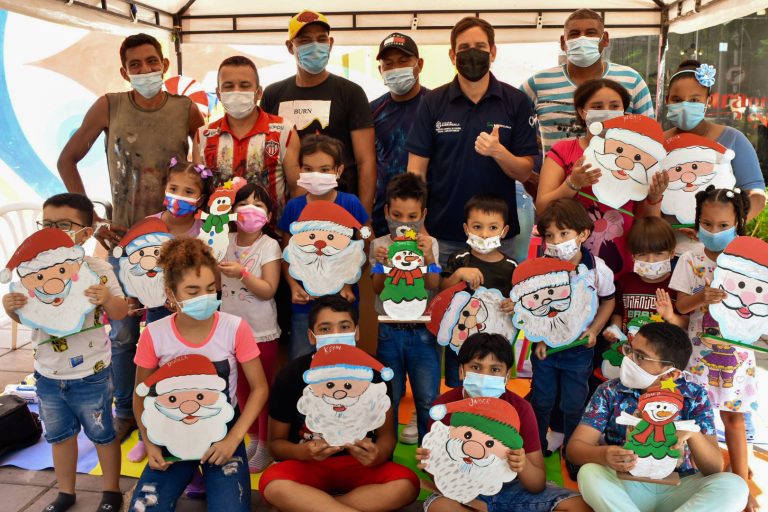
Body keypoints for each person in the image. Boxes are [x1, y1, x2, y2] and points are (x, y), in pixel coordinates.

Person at [57, 33, 205, 442]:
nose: (144, 70)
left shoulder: (186, 110)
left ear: (165, 65)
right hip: (124, 242)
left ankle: (166, 406)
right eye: (135, 64)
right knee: (123, 335)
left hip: (174, 243)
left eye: (151, 61)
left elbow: (204, 168)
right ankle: (125, 411)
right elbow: (67, 158)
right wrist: (93, 218)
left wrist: (198, 217)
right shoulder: (110, 105)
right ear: (124, 71)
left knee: (167, 330)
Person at [2, 193, 129, 512]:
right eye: (46, 224)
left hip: (92, 375)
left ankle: (111, 491)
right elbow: (27, 316)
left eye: (63, 225)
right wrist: (12, 308)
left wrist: (106, 299)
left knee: (103, 434)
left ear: (86, 233)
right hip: (47, 374)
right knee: (59, 436)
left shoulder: (98, 269)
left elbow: (121, 311)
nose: (52, 230)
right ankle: (66, 491)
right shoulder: (32, 270)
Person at [129, 237, 268, 511]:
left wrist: (233, 439)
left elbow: (260, 388)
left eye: (210, 289)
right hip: (170, 429)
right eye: (192, 291)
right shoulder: (155, 334)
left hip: (222, 431)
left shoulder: (234, 327)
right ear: (171, 294)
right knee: (145, 507)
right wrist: (150, 442)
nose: (204, 298)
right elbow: (139, 395)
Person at [260, 296, 420, 512]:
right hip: (309, 465)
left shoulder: (376, 372)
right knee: (272, 484)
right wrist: (304, 453)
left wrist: (377, 455)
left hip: (359, 465)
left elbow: (386, 436)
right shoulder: (292, 374)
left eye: (344, 327)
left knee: (407, 485)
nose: (336, 335)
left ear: (356, 332)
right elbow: (276, 445)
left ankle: (311, 507)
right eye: (325, 329)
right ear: (312, 336)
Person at [568, 322, 749, 512]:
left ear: (671, 374)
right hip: (628, 485)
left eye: (640, 357)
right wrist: (604, 455)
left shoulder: (694, 395)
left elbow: (713, 468)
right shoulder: (610, 391)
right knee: (589, 473)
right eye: (629, 349)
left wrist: (694, 435)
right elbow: (574, 449)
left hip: (680, 487)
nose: (628, 359)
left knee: (734, 486)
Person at [406, 16, 538, 267]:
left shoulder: (515, 101)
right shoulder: (433, 102)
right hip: (442, 234)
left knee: (499, 303)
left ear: (493, 52)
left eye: (480, 47)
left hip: (498, 236)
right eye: (464, 49)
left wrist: (499, 152)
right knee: (443, 303)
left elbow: (525, 171)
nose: (472, 54)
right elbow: (416, 172)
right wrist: (418, 226)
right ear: (452, 55)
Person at [415, 333, 590, 512]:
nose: (484, 376)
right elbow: (441, 474)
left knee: (578, 506)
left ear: (507, 376)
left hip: (511, 489)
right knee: (441, 507)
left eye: (495, 370)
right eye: (476, 367)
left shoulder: (521, 408)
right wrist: (431, 463)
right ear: (461, 371)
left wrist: (522, 465)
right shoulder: (444, 407)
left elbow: (537, 484)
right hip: (464, 490)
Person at [669, 186, 758, 511]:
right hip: (698, 356)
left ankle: (740, 483)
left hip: (736, 357)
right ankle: (696, 476)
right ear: (697, 222)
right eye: (708, 224)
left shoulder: (749, 261)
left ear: (739, 223)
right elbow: (680, 305)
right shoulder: (690, 259)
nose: (715, 231)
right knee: (695, 418)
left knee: (734, 419)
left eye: (723, 225)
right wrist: (700, 298)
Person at [536, 79, 668, 278]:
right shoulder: (563, 151)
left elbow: (646, 220)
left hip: (622, 254)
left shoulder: (639, 155)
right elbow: (542, 207)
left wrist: (654, 196)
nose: (607, 111)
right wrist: (572, 184)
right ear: (582, 112)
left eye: (614, 106)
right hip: (567, 257)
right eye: (597, 106)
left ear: (625, 111)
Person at [127, 158, 213, 463]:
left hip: (195, 315)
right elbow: (135, 269)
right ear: (164, 189)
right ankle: (146, 434)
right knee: (154, 376)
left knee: (189, 375)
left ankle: (191, 432)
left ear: (199, 199)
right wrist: (137, 298)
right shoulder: (149, 226)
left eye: (188, 191)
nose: (179, 195)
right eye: (173, 188)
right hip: (157, 315)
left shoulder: (205, 229)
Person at [260, 10, 376, 214]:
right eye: (305, 40)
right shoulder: (273, 94)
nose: (315, 46)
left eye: (321, 39)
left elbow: (365, 161)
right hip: (287, 209)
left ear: (330, 43)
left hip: (340, 210)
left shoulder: (351, 93)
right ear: (290, 46)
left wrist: (363, 218)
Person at [531, 198, 615, 463]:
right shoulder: (539, 269)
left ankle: (573, 448)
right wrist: (539, 339)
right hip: (546, 348)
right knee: (541, 399)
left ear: (583, 234)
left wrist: (594, 330)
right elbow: (532, 307)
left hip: (578, 349)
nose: (556, 242)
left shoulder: (598, 269)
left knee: (574, 402)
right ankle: (535, 445)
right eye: (550, 236)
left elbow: (609, 301)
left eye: (564, 233)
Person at [278, 135, 370, 359]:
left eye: (325, 169)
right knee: (301, 358)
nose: (316, 175)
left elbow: (364, 245)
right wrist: (292, 286)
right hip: (304, 303)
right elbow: (286, 253)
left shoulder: (351, 204)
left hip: (342, 301)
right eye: (308, 168)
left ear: (338, 170)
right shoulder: (294, 207)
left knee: (344, 357)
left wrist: (349, 284)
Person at [663, 60, 766, 253]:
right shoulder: (657, 143)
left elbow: (757, 195)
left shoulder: (733, 139)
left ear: (707, 102)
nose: (685, 106)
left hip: (718, 253)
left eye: (694, 100)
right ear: (667, 100)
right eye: (677, 100)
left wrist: (726, 227)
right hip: (664, 253)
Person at [521, 8, 654, 156]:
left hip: (617, 175)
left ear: (605, 39)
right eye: (574, 34)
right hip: (557, 178)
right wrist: (531, 176)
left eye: (591, 33)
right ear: (563, 43)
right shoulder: (537, 84)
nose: (582, 39)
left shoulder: (632, 80)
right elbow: (513, 131)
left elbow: (648, 137)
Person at [369, 173, 440, 444]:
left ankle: (429, 452)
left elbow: (433, 284)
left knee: (427, 398)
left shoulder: (429, 244)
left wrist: (429, 257)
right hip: (388, 330)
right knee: (390, 394)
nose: (404, 222)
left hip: (423, 332)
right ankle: (386, 449)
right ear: (386, 211)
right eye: (397, 215)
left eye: (412, 216)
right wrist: (380, 264)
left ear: (423, 214)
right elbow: (376, 288)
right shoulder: (379, 245)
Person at [219, 182, 282, 472]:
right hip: (229, 329)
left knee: (262, 387)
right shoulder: (223, 240)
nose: (250, 210)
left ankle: (266, 445)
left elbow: (268, 289)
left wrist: (243, 273)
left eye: (258, 205)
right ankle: (253, 438)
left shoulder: (269, 245)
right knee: (240, 388)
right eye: (243, 204)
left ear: (268, 214)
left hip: (260, 331)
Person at [194, 55, 300, 222]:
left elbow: (297, 190)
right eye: (228, 86)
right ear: (219, 94)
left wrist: (289, 235)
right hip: (220, 237)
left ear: (258, 92)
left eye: (244, 85)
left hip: (272, 238)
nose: (237, 91)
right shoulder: (204, 135)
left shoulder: (284, 131)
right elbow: (198, 191)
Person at [439, 194, 517, 388]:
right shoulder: (459, 258)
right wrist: (458, 274)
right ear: (467, 229)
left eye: (492, 228)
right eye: (477, 227)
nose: (484, 234)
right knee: (457, 389)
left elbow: (517, 304)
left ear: (504, 231)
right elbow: (442, 293)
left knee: (491, 391)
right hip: (460, 343)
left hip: (495, 346)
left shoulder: (511, 266)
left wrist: (514, 305)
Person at [370, 32, 428, 236]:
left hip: (427, 218)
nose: (396, 69)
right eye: (389, 64)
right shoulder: (372, 111)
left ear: (419, 64)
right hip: (382, 218)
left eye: (403, 61)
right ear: (380, 70)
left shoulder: (436, 105)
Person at [603, 217, 687, 345]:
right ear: (633, 256)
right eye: (642, 254)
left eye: (658, 253)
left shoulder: (679, 285)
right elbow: (618, 313)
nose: (650, 260)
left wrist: (671, 317)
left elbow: (687, 324)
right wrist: (614, 328)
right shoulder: (626, 282)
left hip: (662, 356)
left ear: (671, 253)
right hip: (628, 351)